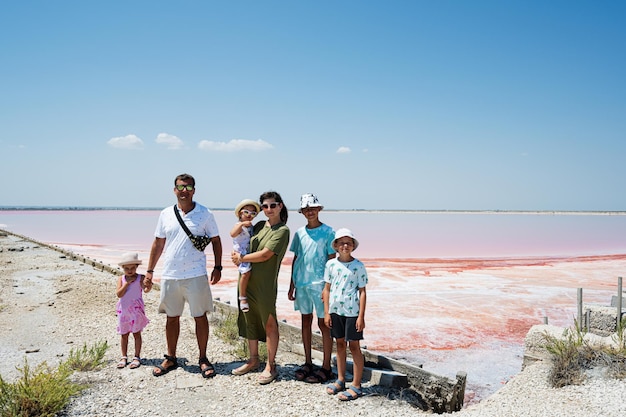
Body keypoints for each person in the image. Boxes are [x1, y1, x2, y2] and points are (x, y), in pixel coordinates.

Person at [144, 173, 223, 378]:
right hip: (170, 274)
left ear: (194, 190)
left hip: (196, 274)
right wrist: (150, 271)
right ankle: (170, 357)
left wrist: (218, 267)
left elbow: (216, 240)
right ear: (174, 190)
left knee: (200, 317)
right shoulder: (165, 214)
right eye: (180, 187)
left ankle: (203, 358)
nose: (184, 191)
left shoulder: (205, 213)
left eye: (188, 188)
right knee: (172, 318)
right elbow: (158, 243)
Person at [231, 191, 290, 385]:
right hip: (246, 280)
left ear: (280, 206)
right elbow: (243, 243)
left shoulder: (282, 230)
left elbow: (265, 254)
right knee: (250, 320)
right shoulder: (257, 225)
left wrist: (242, 259)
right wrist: (236, 256)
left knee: (269, 323)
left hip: (265, 284)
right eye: (265, 206)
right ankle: (253, 360)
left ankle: (271, 365)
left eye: (273, 205)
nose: (269, 209)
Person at [288, 193, 335, 383]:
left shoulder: (329, 232)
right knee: (305, 321)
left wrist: (329, 288)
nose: (310, 212)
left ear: (319, 210)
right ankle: (307, 362)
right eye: (306, 209)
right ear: (302, 212)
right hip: (302, 284)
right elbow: (296, 259)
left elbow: (332, 262)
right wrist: (292, 284)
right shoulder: (299, 233)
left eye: (313, 208)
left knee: (324, 325)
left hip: (321, 285)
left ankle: (326, 366)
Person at [323, 228, 368, 401]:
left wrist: (361, 316)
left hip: (352, 313)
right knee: (339, 344)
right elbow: (326, 289)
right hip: (335, 311)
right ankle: (340, 379)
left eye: (348, 242)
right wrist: (327, 313)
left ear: (353, 246)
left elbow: (363, 292)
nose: (345, 245)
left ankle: (356, 385)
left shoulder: (358, 266)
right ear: (335, 245)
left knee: (354, 346)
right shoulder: (330, 265)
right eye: (341, 242)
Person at [116, 252, 150, 369]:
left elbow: (145, 290)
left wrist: (148, 285)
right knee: (124, 334)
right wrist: (127, 284)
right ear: (123, 268)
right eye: (126, 269)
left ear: (136, 267)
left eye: (132, 268)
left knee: (136, 333)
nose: (129, 271)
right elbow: (119, 294)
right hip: (124, 310)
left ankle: (136, 356)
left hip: (136, 309)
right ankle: (124, 356)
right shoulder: (121, 278)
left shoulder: (140, 277)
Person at [230, 199, 260, 312]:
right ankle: (242, 297)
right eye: (246, 212)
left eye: (253, 213)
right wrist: (242, 224)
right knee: (246, 273)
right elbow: (232, 234)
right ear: (240, 213)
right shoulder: (239, 225)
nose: (249, 215)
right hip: (241, 253)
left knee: (249, 273)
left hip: (248, 252)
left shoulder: (251, 226)